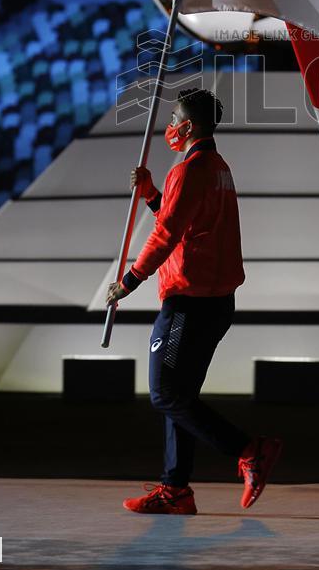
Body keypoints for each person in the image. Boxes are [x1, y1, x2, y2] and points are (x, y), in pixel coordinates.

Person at [107, 86, 283, 515]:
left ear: (187, 127)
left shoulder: (190, 170)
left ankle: (250, 450)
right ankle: (175, 490)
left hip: (189, 302)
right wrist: (151, 193)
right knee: (180, 397)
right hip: (215, 301)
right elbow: (184, 220)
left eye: (173, 119)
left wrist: (129, 281)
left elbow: (167, 234)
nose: (169, 126)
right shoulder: (216, 167)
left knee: (166, 395)